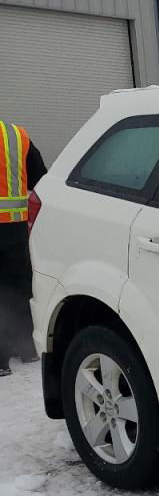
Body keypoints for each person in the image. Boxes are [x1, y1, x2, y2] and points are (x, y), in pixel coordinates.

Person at [0, 119, 46, 377]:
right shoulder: (16, 136)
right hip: (15, 228)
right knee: (19, 284)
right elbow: (41, 178)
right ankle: (27, 347)